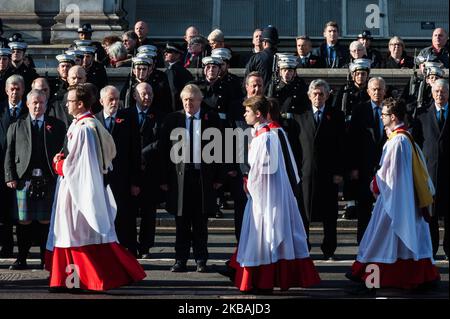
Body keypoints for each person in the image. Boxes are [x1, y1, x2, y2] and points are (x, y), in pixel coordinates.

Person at [46, 84, 145, 292]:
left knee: (76, 233)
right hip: (71, 187)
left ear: (80, 104)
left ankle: (83, 279)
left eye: (70, 101)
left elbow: (82, 164)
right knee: (69, 232)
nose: (66, 104)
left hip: (77, 190)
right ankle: (67, 280)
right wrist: (62, 158)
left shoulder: (85, 128)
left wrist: (60, 165)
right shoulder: (80, 124)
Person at [228, 95, 320, 293]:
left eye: (248, 111)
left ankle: (261, 280)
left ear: (258, 114)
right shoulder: (268, 134)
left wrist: (249, 185)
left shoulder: (266, 137)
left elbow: (262, 172)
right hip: (270, 195)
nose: (245, 114)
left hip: (265, 198)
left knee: (262, 237)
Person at [347, 98, 440, 292]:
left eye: (384, 115)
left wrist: (374, 183)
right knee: (401, 239)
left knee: (380, 237)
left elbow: (388, 174)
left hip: (394, 199)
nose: (382, 117)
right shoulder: (406, 138)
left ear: (393, 117)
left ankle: (371, 276)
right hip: (405, 198)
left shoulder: (398, 141)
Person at [160, 84, 224, 273]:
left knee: (200, 223)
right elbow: (163, 150)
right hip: (179, 180)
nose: (188, 103)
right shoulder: (173, 119)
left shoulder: (211, 118)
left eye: (192, 99)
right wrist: (163, 179)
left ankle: (201, 259)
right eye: (185, 99)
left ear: (200, 100)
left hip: (203, 179)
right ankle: (180, 259)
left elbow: (222, 147)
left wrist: (219, 177)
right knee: (181, 222)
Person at [4, 89, 65, 270]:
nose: (38, 106)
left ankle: (45, 260)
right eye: (34, 103)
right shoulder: (17, 124)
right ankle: (21, 258)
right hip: (24, 179)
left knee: (46, 221)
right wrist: (10, 176)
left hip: (49, 178)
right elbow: (9, 152)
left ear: (47, 105)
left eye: (41, 103)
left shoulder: (58, 125)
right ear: (28, 104)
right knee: (24, 221)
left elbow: (64, 151)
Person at [294, 79, 345, 260]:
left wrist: (339, 171)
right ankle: (304, 247)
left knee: (330, 215)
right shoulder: (300, 116)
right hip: (306, 172)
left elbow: (342, 146)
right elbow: (296, 148)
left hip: (329, 173)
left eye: (321, 94)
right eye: (314, 94)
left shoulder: (337, 116)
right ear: (309, 96)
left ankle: (329, 249)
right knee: (304, 213)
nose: (318, 97)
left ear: (328, 95)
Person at [95, 86, 141, 257]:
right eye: (110, 99)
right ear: (101, 101)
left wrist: (135, 181)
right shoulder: (94, 121)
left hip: (123, 179)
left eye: (117, 99)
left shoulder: (128, 120)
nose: (114, 103)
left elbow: (135, 152)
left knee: (124, 217)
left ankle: (127, 252)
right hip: (100, 180)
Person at [347, 77, 388, 243]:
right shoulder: (360, 110)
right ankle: (363, 243)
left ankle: (384, 243)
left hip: (386, 168)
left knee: (385, 208)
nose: (377, 92)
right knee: (364, 208)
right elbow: (352, 140)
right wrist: (354, 167)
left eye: (380, 89)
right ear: (368, 91)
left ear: (385, 91)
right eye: (374, 89)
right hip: (365, 167)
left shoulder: (390, 110)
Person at [413, 79, 449, 261]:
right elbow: (417, 143)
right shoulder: (422, 114)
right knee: (431, 216)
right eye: (436, 91)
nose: (439, 95)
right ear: (432, 92)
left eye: (442, 92)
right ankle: (432, 249)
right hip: (429, 172)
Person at [130, 82, 165, 259]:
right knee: (128, 212)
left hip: (150, 171)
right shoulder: (126, 115)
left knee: (149, 213)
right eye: (143, 94)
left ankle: (145, 247)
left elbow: (160, 142)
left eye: (150, 93)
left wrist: (142, 154)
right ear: (135, 95)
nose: (147, 97)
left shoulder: (159, 116)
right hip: (131, 171)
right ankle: (129, 245)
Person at [0, 75, 29, 258]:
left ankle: (23, 253)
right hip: (1, 169)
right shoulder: (0, 109)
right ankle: (6, 247)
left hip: (22, 169)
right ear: (6, 90)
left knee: (21, 215)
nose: (14, 92)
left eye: (18, 88)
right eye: (11, 88)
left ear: (23, 90)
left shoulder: (29, 109)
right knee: (2, 213)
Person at [245, 25, 279, 93]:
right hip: (278, 99)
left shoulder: (256, 58)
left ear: (264, 42)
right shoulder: (282, 59)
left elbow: (247, 79)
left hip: (258, 96)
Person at [164, 42, 194, 111]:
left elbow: (173, 92)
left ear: (177, 55)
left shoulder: (173, 71)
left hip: (174, 109)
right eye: (165, 51)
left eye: (169, 52)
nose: (165, 53)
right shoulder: (175, 69)